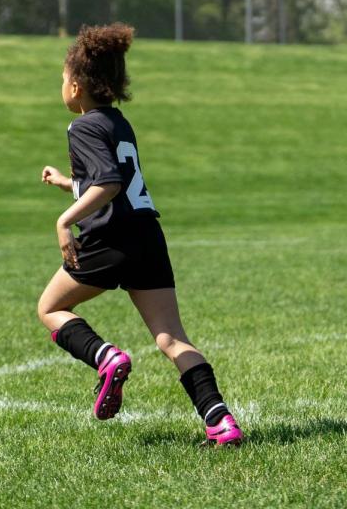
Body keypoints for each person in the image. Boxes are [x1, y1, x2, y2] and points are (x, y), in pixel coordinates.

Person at [37, 23, 243, 447]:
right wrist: (67, 183)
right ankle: (220, 422)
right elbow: (111, 180)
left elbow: (108, 183)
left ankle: (105, 357)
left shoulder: (81, 127)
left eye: (61, 79)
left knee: (51, 308)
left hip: (109, 239)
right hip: (147, 235)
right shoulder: (117, 122)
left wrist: (63, 221)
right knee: (171, 338)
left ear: (75, 86)